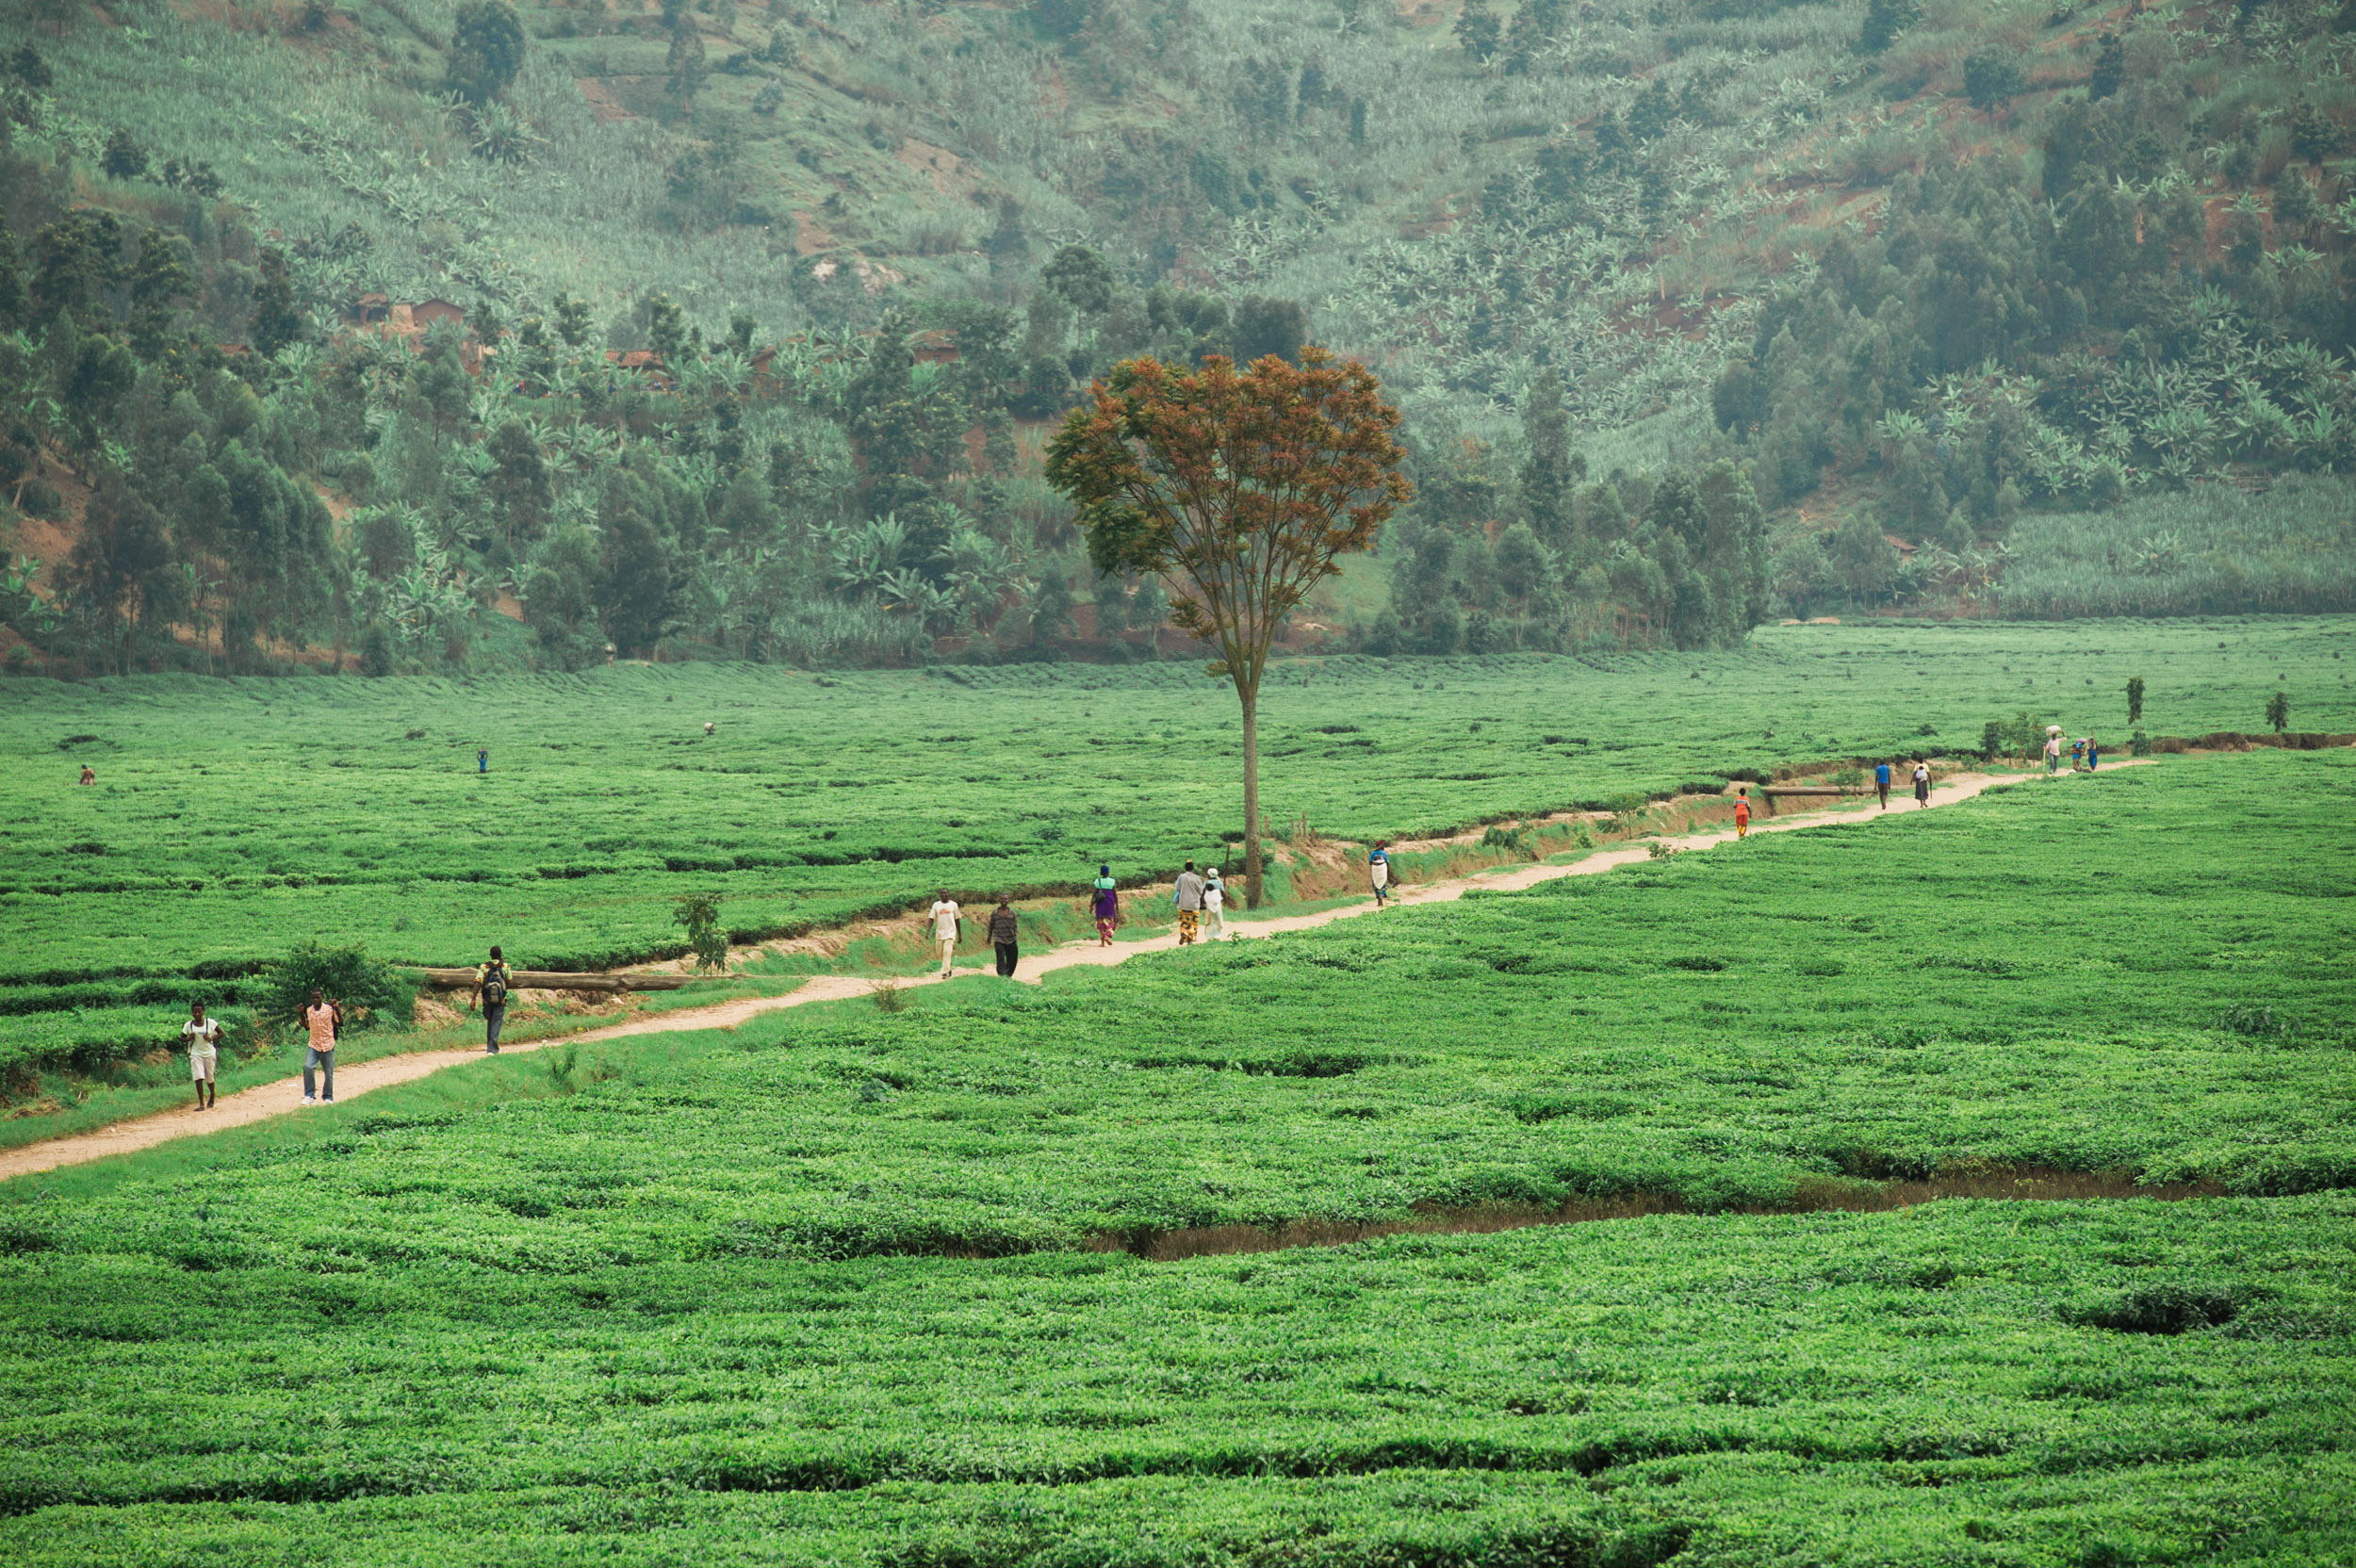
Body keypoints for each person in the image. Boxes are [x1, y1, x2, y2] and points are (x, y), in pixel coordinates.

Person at [301, 988, 341, 1104]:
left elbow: (340, 1022)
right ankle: (310, 1096)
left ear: (322, 998)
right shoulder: (309, 1010)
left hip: (327, 1044)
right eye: (313, 997)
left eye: (318, 997)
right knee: (308, 1067)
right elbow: (307, 1027)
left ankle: (328, 1097)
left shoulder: (329, 1009)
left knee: (328, 1073)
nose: (315, 1000)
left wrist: (337, 1008)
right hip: (314, 1044)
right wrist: (301, 1013)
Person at [471, 945, 513, 1054]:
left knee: (490, 1021)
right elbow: (509, 980)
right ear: (500, 955)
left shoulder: (484, 966)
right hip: (501, 1000)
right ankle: (492, 1049)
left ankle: (490, 1047)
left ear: (490, 955)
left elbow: (478, 981)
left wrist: (473, 999)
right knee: (496, 1022)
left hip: (487, 1000)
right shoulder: (505, 966)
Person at [183, 1002, 222, 1111]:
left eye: (199, 1011)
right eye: (194, 1012)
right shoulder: (188, 1025)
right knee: (198, 1077)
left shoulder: (210, 1022)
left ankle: (212, 1095)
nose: (196, 1014)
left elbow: (221, 1033)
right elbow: (181, 1037)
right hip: (196, 1053)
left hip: (209, 1053)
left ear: (203, 1012)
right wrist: (189, 1038)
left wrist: (211, 1039)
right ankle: (201, 1103)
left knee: (209, 1078)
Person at [929, 891, 961, 975]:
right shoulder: (936, 905)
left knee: (947, 951)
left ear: (949, 894)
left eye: (946, 893)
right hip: (939, 933)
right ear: (940, 895)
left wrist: (960, 934)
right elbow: (931, 918)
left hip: (950, 932)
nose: (944, 895)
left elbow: (957, 919)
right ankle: (948, 967)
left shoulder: (954, 905)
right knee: (939, 953)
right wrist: (928, 931)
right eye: (942, 893)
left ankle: (944, 972)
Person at [1172, 861, 1204, 944]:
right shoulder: (1197, 878)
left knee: (1184, 921)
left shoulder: (1181, 877)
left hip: (1183, 903)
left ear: (1185, 868)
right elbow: (1200, 891)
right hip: (1194, 904)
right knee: (1193, 922)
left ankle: (1183, 933)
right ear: (1193, 869)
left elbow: (1177, 888)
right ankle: (1190, 939)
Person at [988, 897, 1020, 977]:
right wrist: (989, 936)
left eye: (1005, 899)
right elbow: (991, 926)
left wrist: (1014, 936)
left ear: (1008, 900)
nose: (1004, 900)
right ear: (999, 900)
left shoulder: (1012, 913)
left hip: (1011, 939)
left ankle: (1008, 974)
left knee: (1012, 959)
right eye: (1002, 899)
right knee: (1000, 957)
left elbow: (1015, 926)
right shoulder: (995, 913)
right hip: (999, 939)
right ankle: (1002, 975)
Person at [1090, 866, 1119, 947]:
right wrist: (1117, 905)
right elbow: (1115, 894)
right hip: (1109, 902)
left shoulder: (1097, 881)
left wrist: (1091, 905)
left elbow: (1094, 894)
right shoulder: (1112, 881)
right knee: (1111, 920)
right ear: (1108, 872)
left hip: (1100, 903)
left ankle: (1102, 942)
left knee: (1100, 921)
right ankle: (1107, 936)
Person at [1202, 870, 1227, 940]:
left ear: (1209, 875)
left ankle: (1209, 936)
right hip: (1217, 903)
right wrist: (1225, 900)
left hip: (1208, 904)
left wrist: (1202, 901)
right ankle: (1217, 936)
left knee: (1209, 920)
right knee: (1217, 919)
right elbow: (1223, 892)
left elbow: (1203, 892)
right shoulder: (1219, 882)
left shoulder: (1206, 882)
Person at [1368, 841, 1392, 907]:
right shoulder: (1384, 853)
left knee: (1375, 882)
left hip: (1375, 869)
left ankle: (1379, 898)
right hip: (1382, 868)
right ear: (1382, 847)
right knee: (1383, 882)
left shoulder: (1373, 853)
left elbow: (1370, 862)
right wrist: (1388, 871)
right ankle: (1382, 894)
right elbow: (1387, 862)